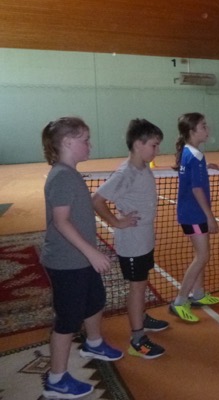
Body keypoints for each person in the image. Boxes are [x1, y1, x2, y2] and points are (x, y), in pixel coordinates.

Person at [41, 117, 123, 399]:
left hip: (81, 259)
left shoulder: (69, 173)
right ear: (67, 142)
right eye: (85, 140)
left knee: (95, 300)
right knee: (68, 319)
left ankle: (94, 343)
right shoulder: (62, 176)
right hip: (67, 262)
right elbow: (61, 221)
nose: (90, 145)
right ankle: (56, 380)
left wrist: (90, 253)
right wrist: (91, 252)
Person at [92, 119, 168, 360]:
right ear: (138, 144)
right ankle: (137, 339)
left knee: (142, 283)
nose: (157, 150)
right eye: (154, 145)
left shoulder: (142, 167)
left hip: (144, 238)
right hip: (132, 243)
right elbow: (97, 200)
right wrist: (116, 222)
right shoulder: (125, 173)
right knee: (137, 288)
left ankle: (141, 318)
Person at [169, 113, 219, 323]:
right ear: (192, 131)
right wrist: (210, 216)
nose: (207, 130)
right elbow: (196, 189)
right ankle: (180, 301)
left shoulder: (190, 153)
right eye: (203, 126)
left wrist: (205, 168)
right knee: (202, 256)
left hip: (189, 212)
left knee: (201, 254)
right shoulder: (195, 156)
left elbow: (191, 176)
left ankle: (198, 294)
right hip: (194, 214)